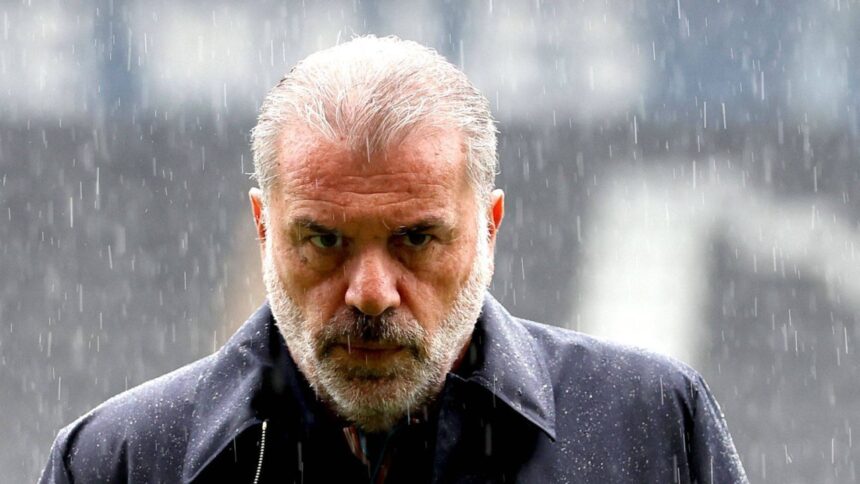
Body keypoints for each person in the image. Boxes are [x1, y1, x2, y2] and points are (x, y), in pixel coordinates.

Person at [40, 35, 748, 483]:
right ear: (263, 228)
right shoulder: (118, 461)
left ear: (489, 228)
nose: (371, 292)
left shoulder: (651, 423)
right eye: (325, 240)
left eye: (415, 238)